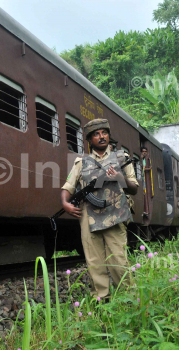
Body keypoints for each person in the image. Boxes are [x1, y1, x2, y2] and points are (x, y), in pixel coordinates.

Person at [60, 119, 138, 300]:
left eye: (104, 133)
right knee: (94, 262)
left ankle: (128, 298)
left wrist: (119, 177)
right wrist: (65, 203)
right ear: (90, 139)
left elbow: (133, 188)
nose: (101, 137)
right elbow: (68, 186)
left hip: (115, 214)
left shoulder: (122, 158)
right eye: (96, 134)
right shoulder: (81, 162)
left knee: (118, 259)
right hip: (89, 216)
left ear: (109, 136)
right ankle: (102, 300)